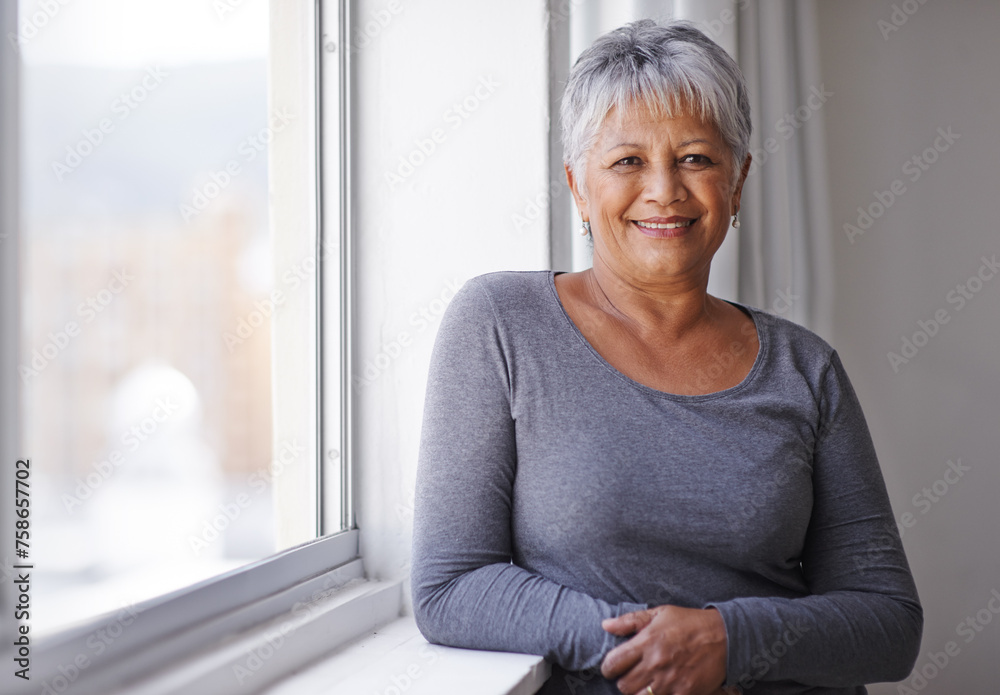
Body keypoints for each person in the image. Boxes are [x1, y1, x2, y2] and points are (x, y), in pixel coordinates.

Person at [411, 19, 921, 695]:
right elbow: (453, 584)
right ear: (577, 186)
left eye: (696, 159)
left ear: (736, 185)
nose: (665, 190)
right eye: (627, 161)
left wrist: (729, 641)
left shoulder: (807, 369)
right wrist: (658, 651)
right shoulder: (500, 325)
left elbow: (888, 623)